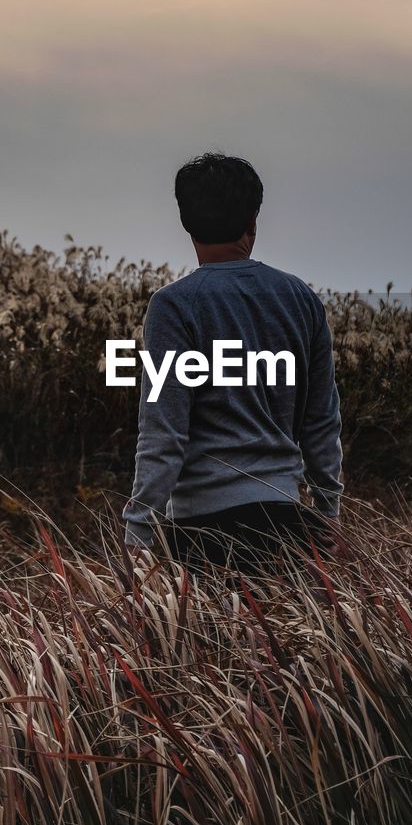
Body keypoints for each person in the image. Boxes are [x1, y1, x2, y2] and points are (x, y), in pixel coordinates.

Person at [122, 152, 343, 572]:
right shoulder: (300, 298)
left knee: (212, 639)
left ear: (186, 222)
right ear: (253, 219)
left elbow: (164, 431)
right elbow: (321, 421)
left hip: (202, 531)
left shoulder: (173, 306)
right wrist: (328, 510)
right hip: (286, 522)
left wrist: (139, 530)